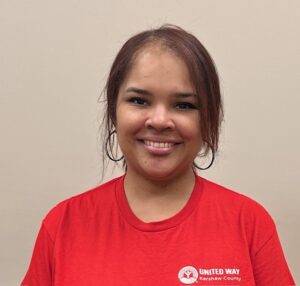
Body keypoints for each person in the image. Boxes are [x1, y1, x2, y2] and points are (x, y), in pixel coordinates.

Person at [21, 24, 295, 286]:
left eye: (184, 105)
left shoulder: (249, 223)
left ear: (208, 119)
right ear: (114, 111)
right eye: (139, 101)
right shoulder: (62, 226)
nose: (160, 120)